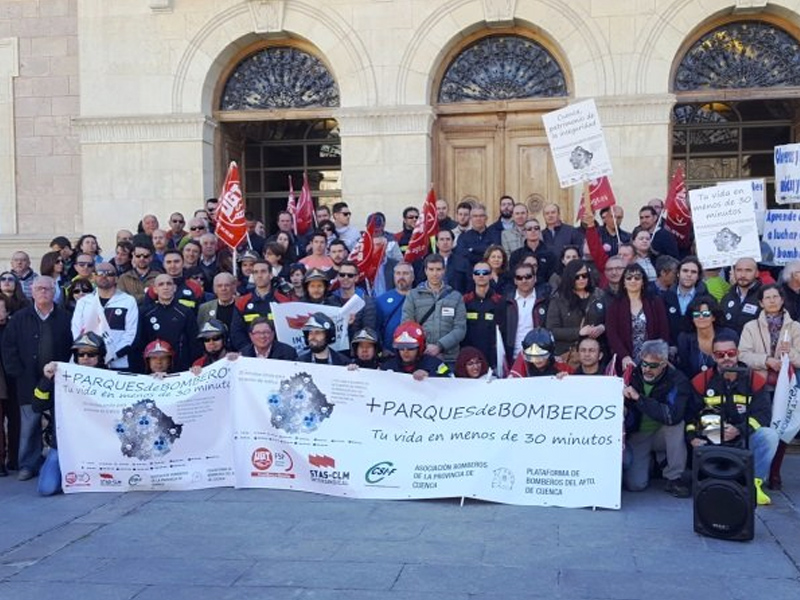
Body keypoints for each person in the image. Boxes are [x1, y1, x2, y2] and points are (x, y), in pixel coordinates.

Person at [687, 331, 779, 505]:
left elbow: (763, 415)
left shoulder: (755, 380)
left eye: (731, 353)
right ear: (713, 356)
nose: (726, 358)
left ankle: (754, 484)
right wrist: (693, 437)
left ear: (738, 353)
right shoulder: (701, 381)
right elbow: (690, 415)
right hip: (712, 438)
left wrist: (739, 430)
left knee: (769, 435)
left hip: (744, 439)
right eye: (720, 355)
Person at [1, 276, 72, 481]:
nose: (43, 292)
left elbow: (73, 346)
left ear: (54, 292)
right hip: (28, 380)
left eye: (48, 289)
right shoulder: (20, 319)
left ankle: (61, 462)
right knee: (30, 424)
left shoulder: (65, 317)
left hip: (60, 381)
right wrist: (17, 373)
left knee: (60, 422)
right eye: (39, 288)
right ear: (32, 291)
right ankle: (28, 465)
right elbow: (9, 348)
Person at [738, 283, 800, 490]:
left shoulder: (795, 328)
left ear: (782, 300)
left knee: (783, 427)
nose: (772, 300)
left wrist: (789, 353)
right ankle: (759, 470)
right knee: (764, 427)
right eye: (768, 297)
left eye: (776, 297)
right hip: (760, 384)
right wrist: (766, 360)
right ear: (760, 302)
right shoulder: (751, 327)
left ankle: (775, 472)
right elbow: (743, 354)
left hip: (786, 385)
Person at [34, 332, 107, 495]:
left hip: (100, 444)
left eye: (91, 354)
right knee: (46, 489)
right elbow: (37, 405)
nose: (86, 358)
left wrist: (158, 379)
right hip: (64, 444)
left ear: (100, 356)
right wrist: (46, 379)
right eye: (81, 354)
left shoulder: (112, 380)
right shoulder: (62, 378)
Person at [622, 339, 691, 497]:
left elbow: (672, 416)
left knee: (677, 425)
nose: (647, 369)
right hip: (638, 435)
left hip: (662, 432)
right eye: (644, 363)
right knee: (635, 485)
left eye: (653, 365)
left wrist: (639, 399)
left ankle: (674, 478)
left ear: (664, 363)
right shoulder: (631, 374)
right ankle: (657, 462)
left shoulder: (677, 379)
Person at [401, 254, 466, 367]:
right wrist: (427, 349)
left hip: (449, 358)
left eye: (438, 269)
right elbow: (407, 326)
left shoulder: (456, 297)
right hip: (421, 356)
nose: (435, 273)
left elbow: (460, 329)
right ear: (426, 271)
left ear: (444, 270)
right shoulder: (413, 295)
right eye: (431, 269)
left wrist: (440, 346)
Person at [71, 262, 138, 370]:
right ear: (93, 277)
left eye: (109, 273)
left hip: (118, 363)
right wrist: (89, 354)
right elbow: (76, 331)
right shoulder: (83, 302)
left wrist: (112, 356)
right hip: (88, 363)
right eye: (100, 273)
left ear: (116, 278)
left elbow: (130, 334)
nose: (104, 276)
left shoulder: (128, 301)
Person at [606, 263, 670, 373]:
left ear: (643, 282)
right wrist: (624, 356)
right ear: (624, 283)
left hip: (653, 359)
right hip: (626, 359)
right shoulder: (615, 305)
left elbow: (664, 331)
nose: (633, 281)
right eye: (629, 278)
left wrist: (659, 355)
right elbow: (612, 334)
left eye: (637, 278)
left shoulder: (655, 302)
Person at [545, 259, 606, 365]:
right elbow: (552, 330)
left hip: (597, 354)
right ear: (569, 277)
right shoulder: (558, 299)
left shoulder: (599, 295)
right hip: (570, 354)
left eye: (584, 275)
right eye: (577, 277)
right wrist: (579, 332)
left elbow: (612, 320)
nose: (581, 279)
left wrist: (602, 327)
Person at [134, 274, 198, 373]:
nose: (165, 287)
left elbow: (194, 341)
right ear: (155, 289)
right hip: (154, 370)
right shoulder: (145, 313)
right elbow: (140, 343)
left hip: (181, 369)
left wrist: (194, 364)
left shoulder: (185, 312)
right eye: (161, 284)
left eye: (169, 284)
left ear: (175, 288)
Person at [231, 259, 290, 349]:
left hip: (278, 355)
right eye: (255, 272)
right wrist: (250, 351)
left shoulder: (283, 302)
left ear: (270, 275)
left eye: (263, 272)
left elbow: (287, 331)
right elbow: (237, 332)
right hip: (251, 355)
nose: (259, 275)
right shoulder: (242, 302)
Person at [675, 295, 738, 380]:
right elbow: (685, 369)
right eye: (696, 314)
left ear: (713, 317)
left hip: (725, 383)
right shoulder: (684, 338)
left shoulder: (730, 335)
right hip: (695, 385)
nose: (701, 317)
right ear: (692, 318)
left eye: (705, 314)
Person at [502, 261, 550, 362]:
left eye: (528, 276)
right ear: (515, 280)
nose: (524, 280)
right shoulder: (505, 302)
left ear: (535, 278)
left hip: (539, 357)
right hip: (512, 358)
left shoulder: (545, 301)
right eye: (519, 277)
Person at [462, 261, 505, 371]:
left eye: (485, 272)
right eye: (477, 272)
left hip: (493, 361)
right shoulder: (464, 301)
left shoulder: (500, 301)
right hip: (470, 362)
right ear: (473, 276)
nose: (481, 275)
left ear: (491, 275)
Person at [381, 322, 451, 379]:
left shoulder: (436, 364)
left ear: (420, 347)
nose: (405, 351)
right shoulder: (388, 367)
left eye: (410, 347)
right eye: (401, 347)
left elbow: (450, 381)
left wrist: (430, 375)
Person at [662, 256, 705, 344]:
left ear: (698, 276)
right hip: (670, 348)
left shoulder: (706, 299)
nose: (689, 274)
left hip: (696, 347)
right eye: (685, 271)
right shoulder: (664, 298)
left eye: (693, 272)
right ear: (678, 273)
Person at [376, 262, 414, 354]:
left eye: (405, 273)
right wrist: (382, 349)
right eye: (398, 273)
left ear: (413, 277)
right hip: (389, 353)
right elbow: (376, 327)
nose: (401, 277)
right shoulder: (381, 300)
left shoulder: (420, 298)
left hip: (414, 351)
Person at [720, 257, 762, 333]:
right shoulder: (726, 298)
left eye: (748, 270)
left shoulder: (764, 297)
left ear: (757, 273)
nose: (743, 275)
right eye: (739, 270)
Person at [509, 218, 556, 282]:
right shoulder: (516, 255)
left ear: (540, 231)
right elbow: (514, 276)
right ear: (524, 232)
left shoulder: (550, 254)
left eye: (536, 228)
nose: (533, 231)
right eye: (529, 229)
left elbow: (552, 277)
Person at [118, 238, 161, 304]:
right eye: (138, 256)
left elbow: (162, 297)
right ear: (133, 256)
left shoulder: (159, 277)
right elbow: (122, 300)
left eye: (146, 256)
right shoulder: (124, 278)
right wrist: (148, 296)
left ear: (151, 257)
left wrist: (134, 298)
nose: (142, 259)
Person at [435, 229, 470, 294]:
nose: (445, 242)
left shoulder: (463, 262)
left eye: (448, 239)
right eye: (442, 239)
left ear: (453, 242)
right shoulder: (430, 261)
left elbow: (468, 284)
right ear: (437, 243)